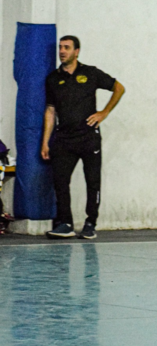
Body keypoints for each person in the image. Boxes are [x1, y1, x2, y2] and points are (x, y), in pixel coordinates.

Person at [41, 35, 125, 239]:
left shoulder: (90, 73)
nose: (62, 51)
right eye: (60, 47)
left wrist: (103, 113)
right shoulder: (53, 79)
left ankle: (90, 224)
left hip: (88, 137)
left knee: (92, 181)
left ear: (76, 51)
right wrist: (45, 141)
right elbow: (50, 111)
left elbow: (119, 88)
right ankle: (66, 223)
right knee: (60, 181)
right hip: (64, 138)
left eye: (67, 48)